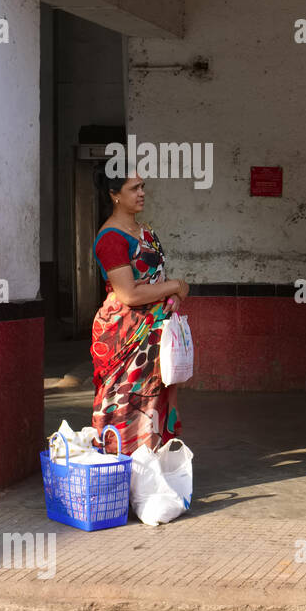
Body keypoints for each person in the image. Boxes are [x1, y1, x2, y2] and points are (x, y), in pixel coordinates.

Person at [90, 172, 189, 454]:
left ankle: (152, 473)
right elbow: (129, 294)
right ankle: (120, 473)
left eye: (143, 187)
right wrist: (175, 286)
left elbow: (154, 280)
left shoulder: (145, 231)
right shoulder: (111, 239)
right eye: (134, 188)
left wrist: (171, 294)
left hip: (155, 330)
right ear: (114, 194)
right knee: (125, 403)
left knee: (154, 402)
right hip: (124, 332)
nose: (142, 193)